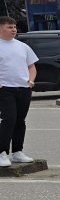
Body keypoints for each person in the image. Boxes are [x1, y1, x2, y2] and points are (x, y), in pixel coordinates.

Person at [0, 16, 37, 168]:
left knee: (20, 120)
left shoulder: (23, 46)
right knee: (9, 119)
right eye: (9, 27)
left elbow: (31, 66)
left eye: (14, 27)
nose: (13, 29)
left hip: (24, 88)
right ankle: (2, 152)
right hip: (5, 89)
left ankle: (17, 152)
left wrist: (31, 81)